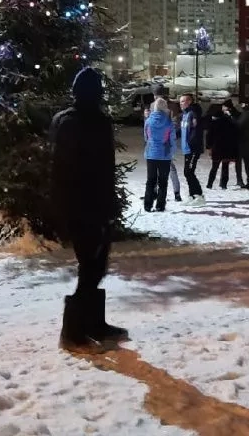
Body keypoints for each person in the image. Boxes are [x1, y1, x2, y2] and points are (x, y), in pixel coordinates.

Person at [50, 68, 126, 352]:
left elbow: (103, 167)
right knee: (91, 265)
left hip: (93, 203)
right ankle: (73, 329)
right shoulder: (77, 121)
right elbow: (68, 168)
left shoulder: (87, 120)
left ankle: (94, 322)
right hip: (83, 203)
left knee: (97, 264)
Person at [142, 98, 176, 212]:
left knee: (150, 180)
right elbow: (172, 140)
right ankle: (160, 205)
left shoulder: (148, 121)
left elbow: (146, 137)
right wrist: (172, 152)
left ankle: (147, 204)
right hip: (164, 155)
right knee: (163, 181)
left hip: (151, 154)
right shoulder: (168, 122)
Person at [206, 100, 243, 189]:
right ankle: (223, 184)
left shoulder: (214, 124)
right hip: (228, 149)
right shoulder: (230, 123)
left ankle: (210, 184)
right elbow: (236, 134)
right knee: (225, 167)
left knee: (214, 167)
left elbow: (209, 136)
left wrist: (208, 147)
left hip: (217, 149)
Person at [178, 93, 206, 205]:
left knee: (189, 172)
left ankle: (199, 195)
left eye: (183, 101)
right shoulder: (184, 115)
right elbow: (182, 131)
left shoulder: (193, 113)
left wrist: (191, 143)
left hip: (193, 148)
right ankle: (192, 195)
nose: (180, 104)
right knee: (187, 172)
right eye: (180, 102)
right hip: (186, 149)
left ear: (189, 102)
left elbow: (196, 131)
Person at [167, 101, 183, 203]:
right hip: (167, 151)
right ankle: (177, 193)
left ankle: (176, 193)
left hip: (160, 151)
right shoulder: (171, 125)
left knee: (157, 172)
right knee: (172, 171)